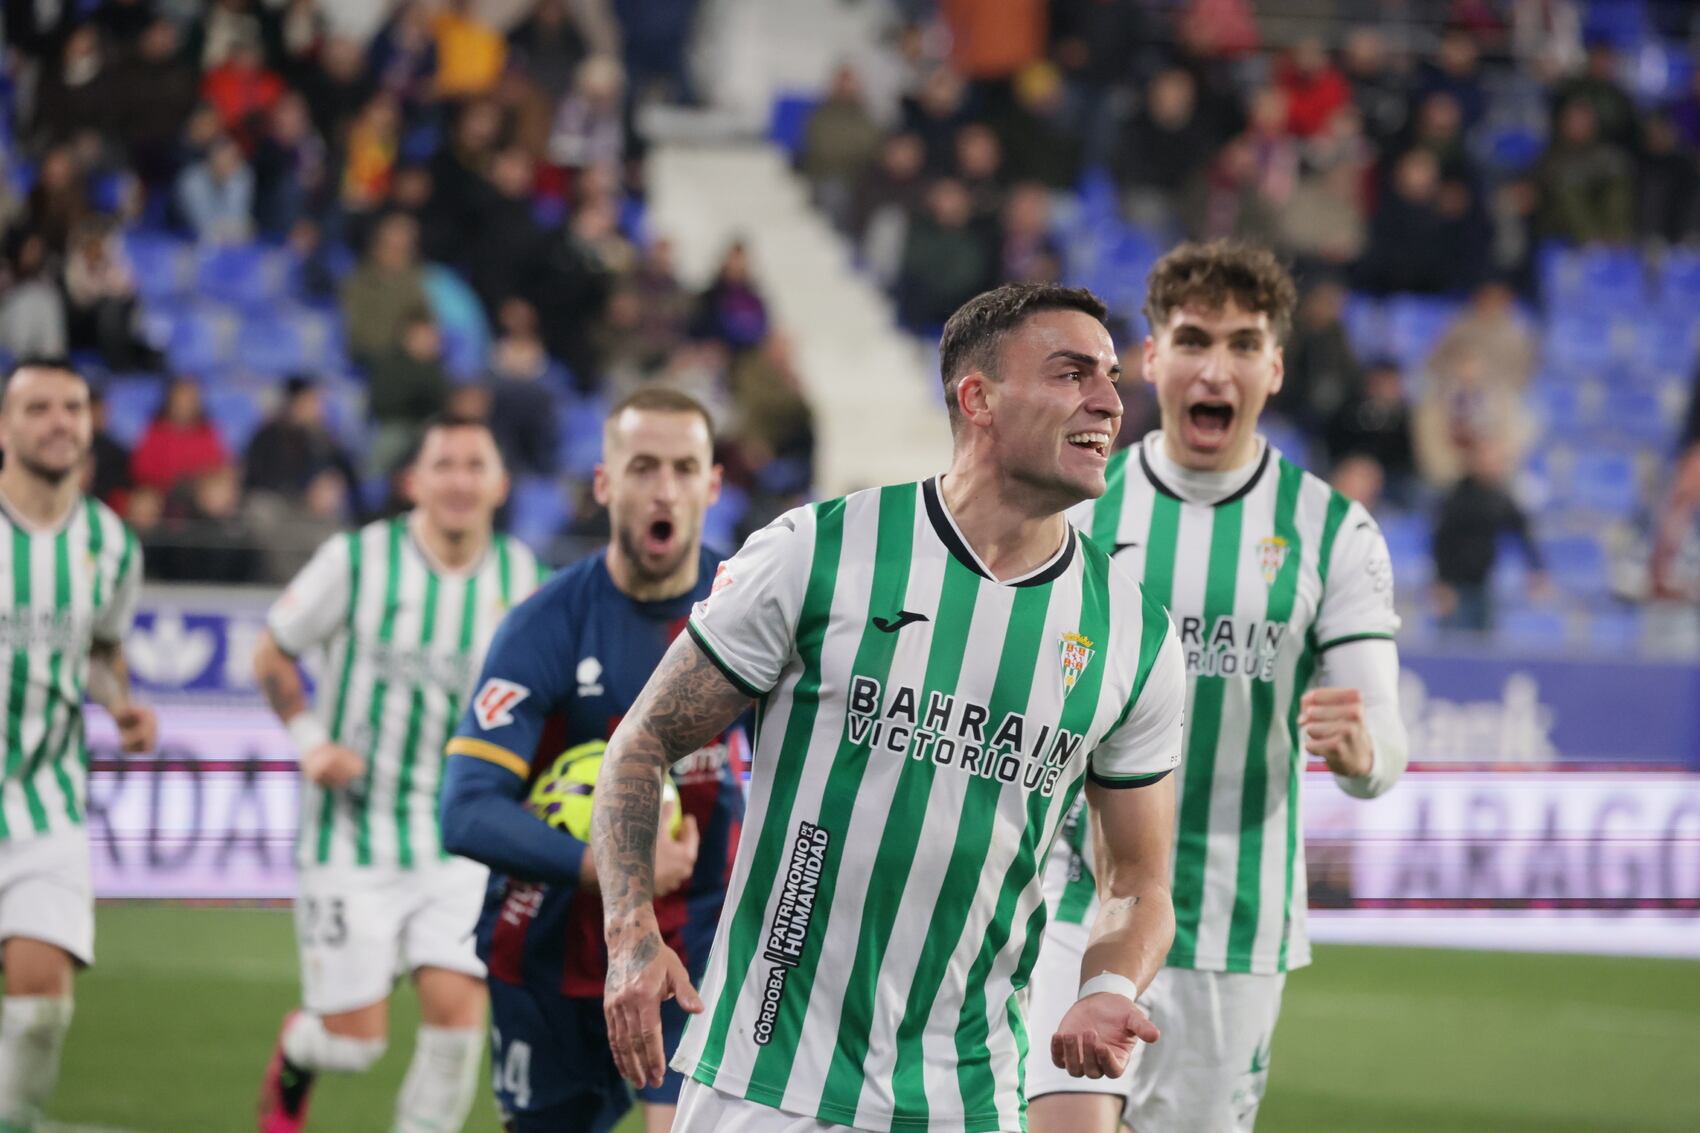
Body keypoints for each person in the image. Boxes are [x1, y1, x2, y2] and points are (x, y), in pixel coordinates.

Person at [585, 283, 1188, 1131]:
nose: (1109, 401)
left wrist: (1107, 986)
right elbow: (642, 740)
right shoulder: (819, 551)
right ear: (977, 398)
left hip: (965, 1100)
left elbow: (1139, 879)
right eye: (1070, 373)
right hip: (764, 1082)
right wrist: (630, 934)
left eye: (1113, 376)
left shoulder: (1135, 636)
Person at [1033, 242, 1409, 1133]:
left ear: (1274, 367)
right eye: (1194, 339)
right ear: (1153, 358)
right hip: (1074, 897)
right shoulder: (1079, 508)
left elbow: (1383, 750)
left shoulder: (1332, 532)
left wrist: (1360, 753)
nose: (1216, 366)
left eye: (1243, 344)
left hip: (1235, 925)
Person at [438, 387, 745, 1133]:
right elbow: (466, 809)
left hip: (696, 951)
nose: (663, 488)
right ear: (605, 483)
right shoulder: (544, 625)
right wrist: (617, 863)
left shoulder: (750, 609)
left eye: (683, 467)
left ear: (711, 485)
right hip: (548, 957)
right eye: (642, 467)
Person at [253, 415, 547, 1133]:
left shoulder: (525, 582)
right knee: (356, 1044)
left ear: (499, 483)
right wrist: (310, 740)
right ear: (413, 480)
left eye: (475, 464)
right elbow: (271, 652)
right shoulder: (356, 561)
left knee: (457, 1025)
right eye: (443, 463)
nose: (458, 479)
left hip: (460, 838)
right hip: (353, 831)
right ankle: (299, 1051)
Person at [0, 359, 156, 1131]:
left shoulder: (110, 543)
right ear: (5, 428)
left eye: (72, 407)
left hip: (43, 801)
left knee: (39, 1012)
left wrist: (123, 706)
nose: (58, 421)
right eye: (37, 408)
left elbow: (99, 648)